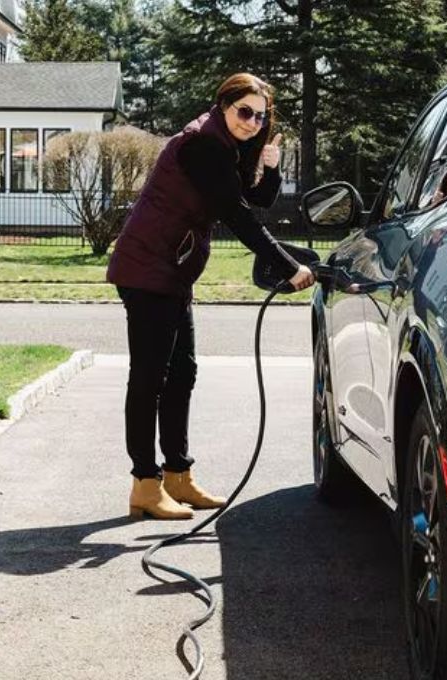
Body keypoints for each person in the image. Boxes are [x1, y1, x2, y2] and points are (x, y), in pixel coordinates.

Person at [106, 73, 314, 520]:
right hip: (147, 268)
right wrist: (288, 266)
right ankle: (145, 482)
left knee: (182, 372)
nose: (252, 122)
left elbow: (254, 197)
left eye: (260, 116)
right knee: (149, 378)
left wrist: (272, 165)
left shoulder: (226, 146)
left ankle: (178, 476)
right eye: (244, 112)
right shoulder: (202, 144)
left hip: (172, 272)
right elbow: (237, 216)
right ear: (223, 105)